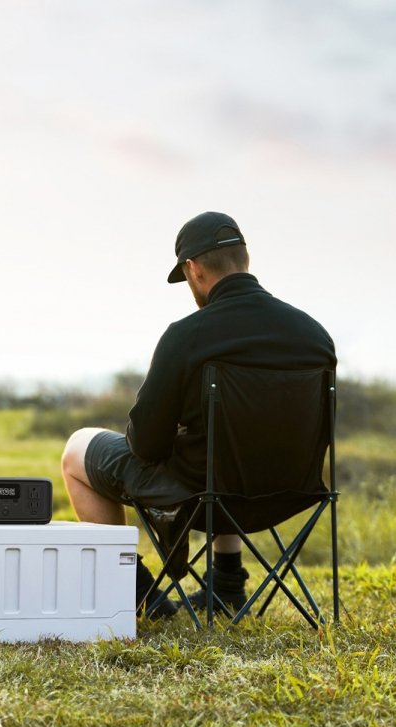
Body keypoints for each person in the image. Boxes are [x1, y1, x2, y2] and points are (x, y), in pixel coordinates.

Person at [60, 211, 336, 617]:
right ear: (246, 259)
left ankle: (139, 592)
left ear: (194, 269)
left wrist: (177, 433)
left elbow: (146, 446)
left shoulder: (187, 335)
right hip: (289, 493)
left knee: (76, 450)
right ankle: (226, 585)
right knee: (222, 450)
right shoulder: (315, 335)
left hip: (202, 499)